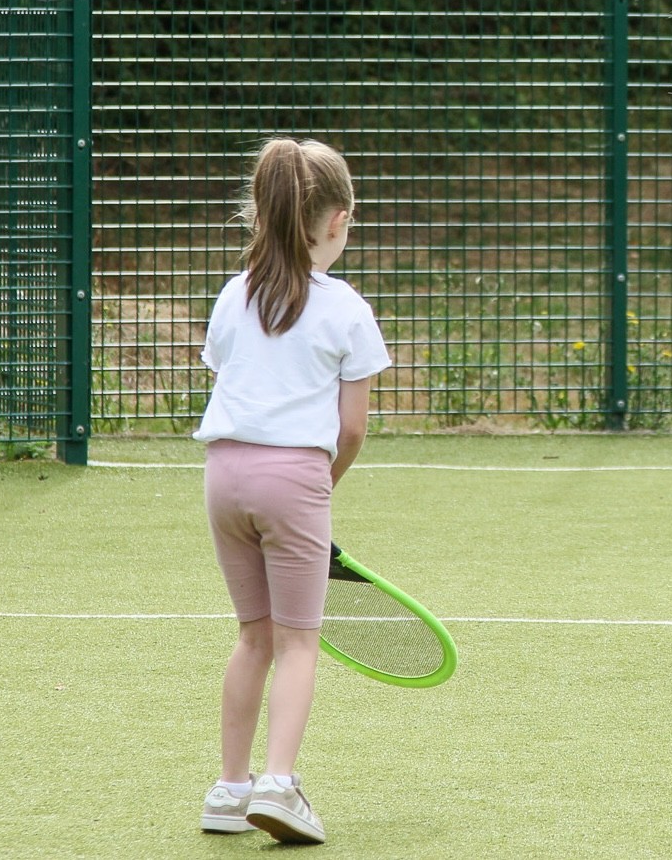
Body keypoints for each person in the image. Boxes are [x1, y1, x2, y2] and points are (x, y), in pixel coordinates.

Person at [194, 138, 391, 842]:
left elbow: (230, 376)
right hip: (292, 479)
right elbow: (353, 431)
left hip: (223, 477)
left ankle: (228, 789)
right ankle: (278, 784)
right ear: (340, 219)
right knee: (299, 642)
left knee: (254, 636)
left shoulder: (231, 293)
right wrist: (319, 490)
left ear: (261, 211)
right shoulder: (347, 309)